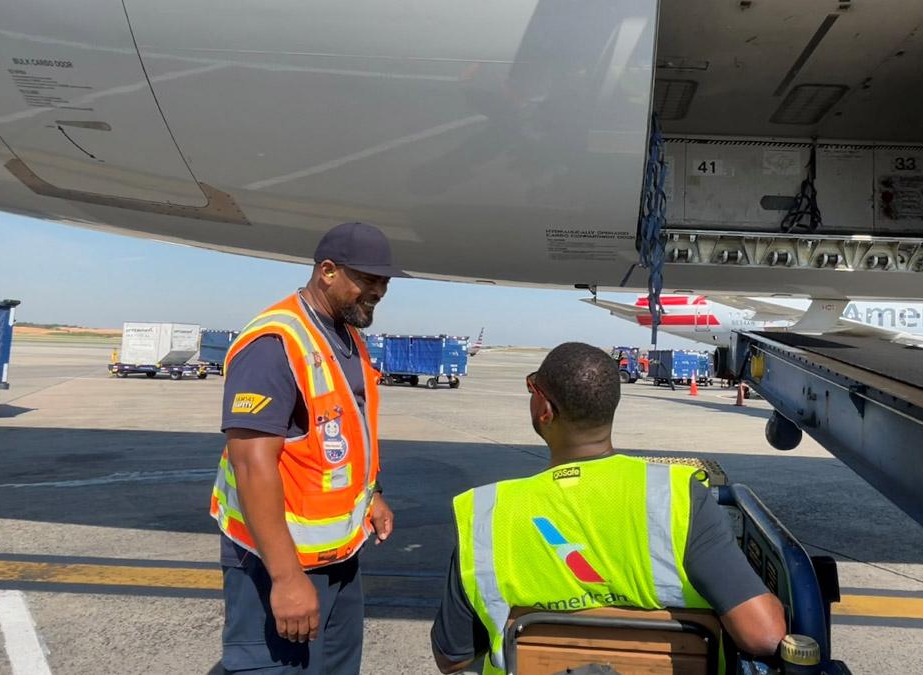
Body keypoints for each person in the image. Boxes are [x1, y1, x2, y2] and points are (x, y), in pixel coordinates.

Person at [430, 342, 786, 674]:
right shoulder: (679, 497)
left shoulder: (487, 513)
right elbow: (764, 635)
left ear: (545, 410)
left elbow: (451, 657)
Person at [210, 221, 397, 674]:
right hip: (275, 560)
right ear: (327, 271)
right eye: (368, 280)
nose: (378, 291)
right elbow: (253, 464)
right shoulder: (275, 342)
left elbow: (341, 432)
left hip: (340, 558)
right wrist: (287, 578)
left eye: (384, 282)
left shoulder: (347, 337)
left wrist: (371, 494)